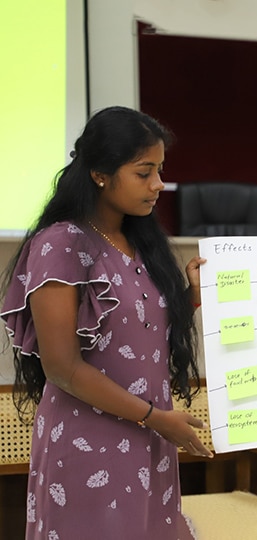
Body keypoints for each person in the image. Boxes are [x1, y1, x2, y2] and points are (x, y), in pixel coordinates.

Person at [0, 106, 213, 539]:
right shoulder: (59, 244)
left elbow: (139, 333)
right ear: (100, 173)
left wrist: (189, 297)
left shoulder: (139, 241)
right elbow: (62, 367)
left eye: (160, 171)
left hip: (149, 436)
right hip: (88, 442)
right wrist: (155, 417)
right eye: (144, 172)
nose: (158, 185)